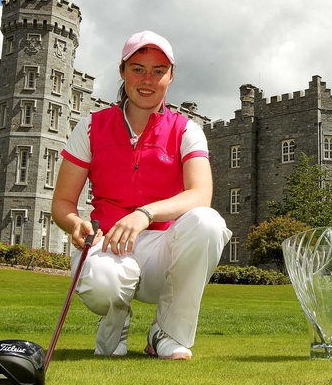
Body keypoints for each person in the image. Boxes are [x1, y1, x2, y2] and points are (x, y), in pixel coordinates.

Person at [52, 30, 231, 360]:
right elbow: (62, 202)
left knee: (208, 223)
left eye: (158, 70)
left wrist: (145, 213)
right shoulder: (90, 126)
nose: (147, 80)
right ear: (122, 71)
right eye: (137, 68)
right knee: (103, 284)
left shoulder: (186, 130)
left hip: (163, 252)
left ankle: (166, 332)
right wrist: (75, 223)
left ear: (171, 76)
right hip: (107, 244)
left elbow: (200, 195)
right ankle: (114, 320)